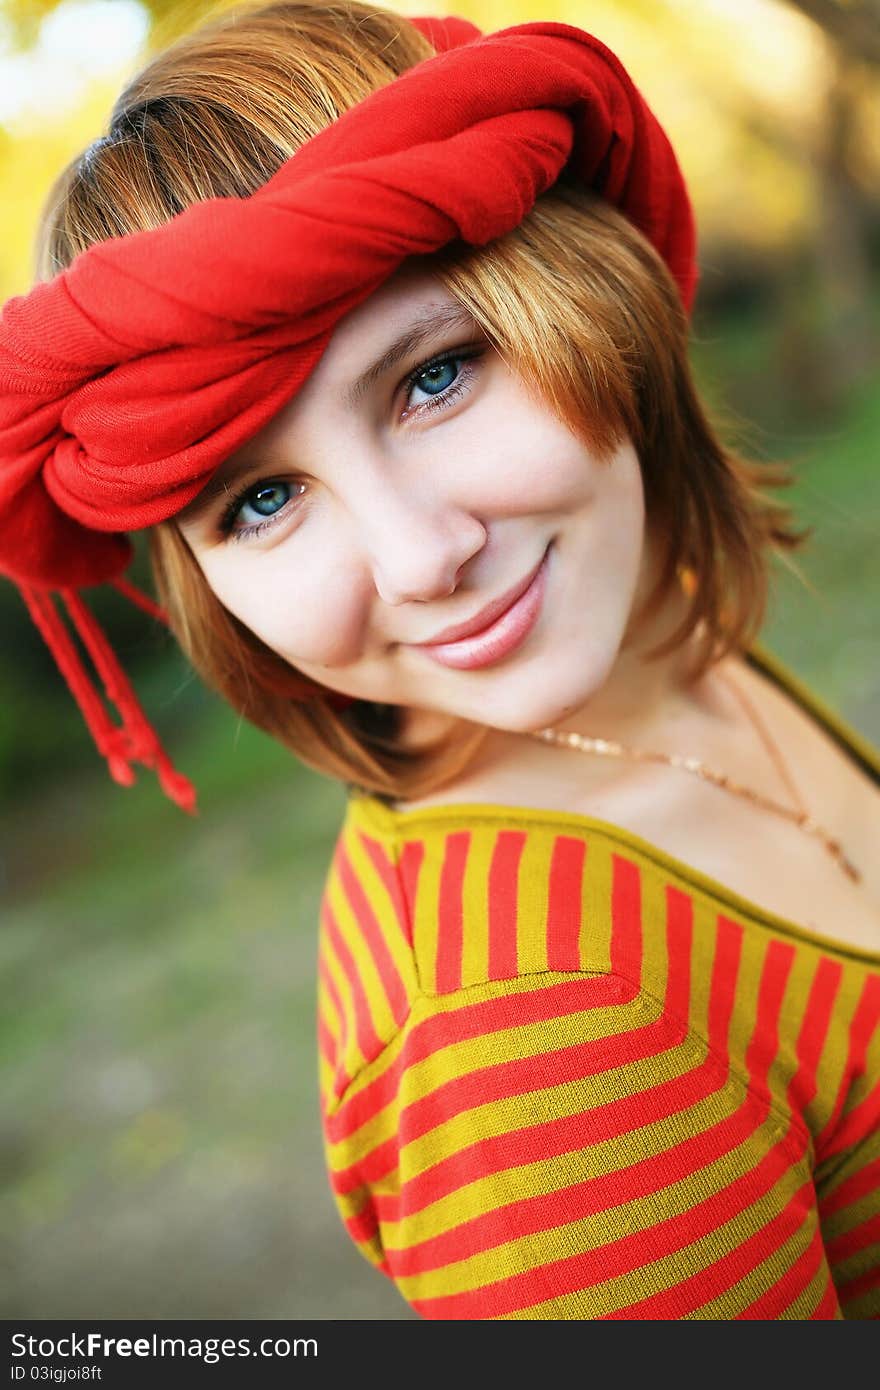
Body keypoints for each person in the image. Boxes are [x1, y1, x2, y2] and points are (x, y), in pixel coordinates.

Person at [1, 0, 878, 1321]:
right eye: (260, 501)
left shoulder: (651, 632)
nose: (419, 558)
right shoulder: (543, 1045)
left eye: (434, 375)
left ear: (591, 289)